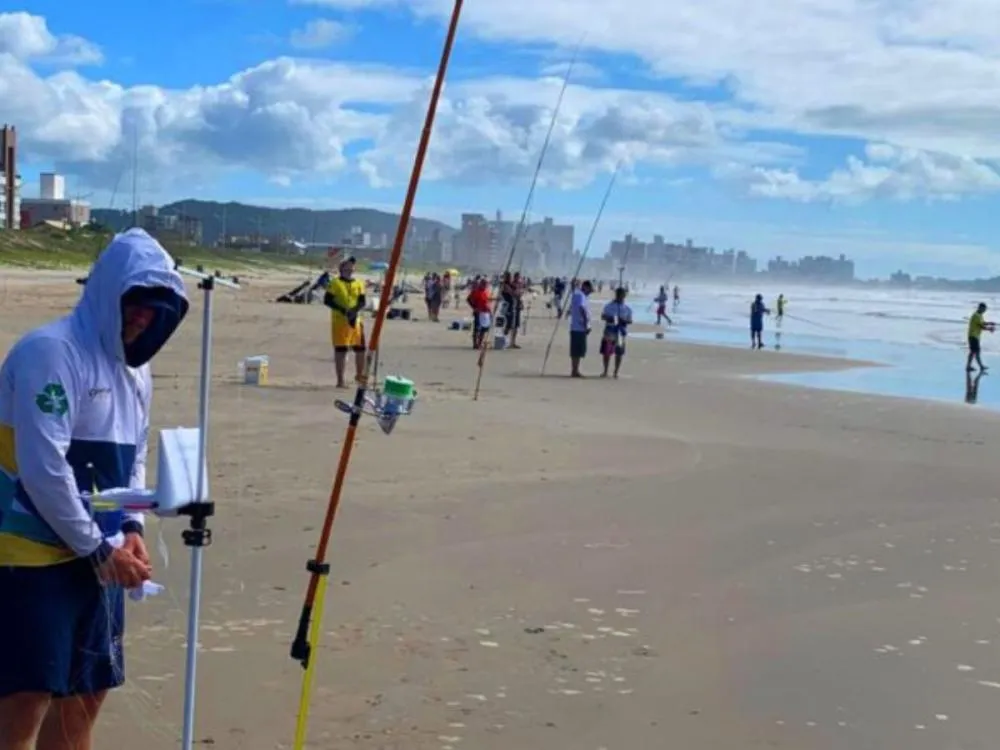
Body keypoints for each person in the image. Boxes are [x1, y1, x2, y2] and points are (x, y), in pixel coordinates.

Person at [0, 228, 188, 750]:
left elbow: (135, 454)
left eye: (157, 310)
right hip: (30, 555)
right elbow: (42, 470)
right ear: (109, 293)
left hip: (100, 556)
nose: (143, 317)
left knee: (87, 695)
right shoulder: (51, 352)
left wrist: (131, 528)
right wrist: (97, 548)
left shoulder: (137, 370)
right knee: (25, 700)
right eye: (135, 304)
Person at [325, 256, 367, 388]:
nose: (350, 268)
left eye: (352, 266)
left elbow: (362, 301)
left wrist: (354, 311)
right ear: (342, 268)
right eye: (347, 266)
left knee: (360, 349)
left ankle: (360, 376)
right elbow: (328, 300)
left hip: (356, 320)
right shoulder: (335, 283)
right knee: (341, 350)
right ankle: (340, 380)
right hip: (340, 321)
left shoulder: (359, 283)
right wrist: (343, 310)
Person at [601, 287, 633, 378]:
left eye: (622, 295)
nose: (621, 297)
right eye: (619, 295)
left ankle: (616, 371)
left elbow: (630, 320)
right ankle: (605, 370)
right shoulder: (609, 306)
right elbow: (603, 316)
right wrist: (612, 318)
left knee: (619, 352)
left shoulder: (627, 309)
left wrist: (624, 321)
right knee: (606, 352)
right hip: (610, 330)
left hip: (621, 331)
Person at [569, 279, 593, 378]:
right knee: (577, 351)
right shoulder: (580, 296)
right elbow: (582, 309)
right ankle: (575, 371)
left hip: (577, 327)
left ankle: (575, 370)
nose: (589, 293)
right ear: (585, 287)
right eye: (589, 290)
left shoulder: (578, 295)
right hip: (578, 327)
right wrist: (586, 324)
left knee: (578, 351)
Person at [967, 302, 995, 372]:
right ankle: (979, 366)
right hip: (973, 336)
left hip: (975, 336)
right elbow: (981, 326)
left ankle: (972, 366)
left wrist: (989, 323)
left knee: (974, 352)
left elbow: (982, 323)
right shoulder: (976, 315)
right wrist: (990, 329)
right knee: (975, 352)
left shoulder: (980, 315)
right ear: (980, 308)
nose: (984, 311)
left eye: (985, 310)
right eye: (984, 309)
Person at [467, 278, 491, 350]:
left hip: (485, 312)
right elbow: (468, 299)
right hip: (478, 312)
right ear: (481, 284)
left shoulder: (485, 292)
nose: (485, 286)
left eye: (486, 284)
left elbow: (486, 300)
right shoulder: (476, 291)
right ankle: (475, 344)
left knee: (484, 329)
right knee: (477, 328)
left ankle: (480, 343)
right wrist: (474, 307)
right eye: (484, 284)